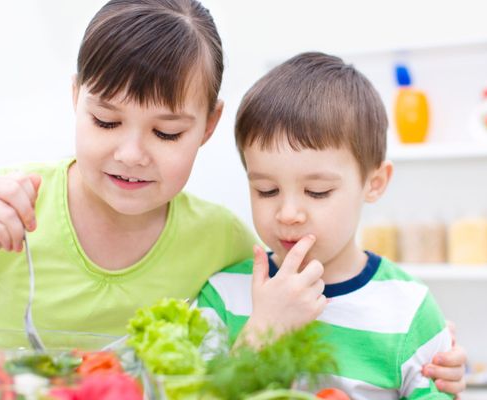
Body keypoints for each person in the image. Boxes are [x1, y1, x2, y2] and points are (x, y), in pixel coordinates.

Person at [0, 0, 464, 392]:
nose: (131, 153)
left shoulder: (225, 243)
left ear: (208, 125)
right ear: (75, 98)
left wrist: (433, 367)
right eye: (106, 120)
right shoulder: (5, 200)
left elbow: (265, 346)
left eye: (166, 133)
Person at [197, 52, 465, 398]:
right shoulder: (223, 295)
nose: (288, 213)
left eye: (317, 191)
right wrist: (261, 332)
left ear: (375, 183)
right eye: (267, 190)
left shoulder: (408, 309)